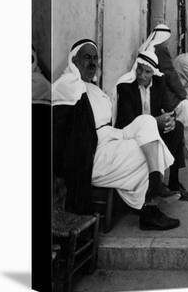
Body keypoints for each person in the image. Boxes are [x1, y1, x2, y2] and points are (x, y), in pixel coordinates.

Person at [53, 39, 180, 231]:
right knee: (143, 152)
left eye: (95, 58)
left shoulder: (93, 89)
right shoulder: (66, 87)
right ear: (74, 60)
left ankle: (154, 183)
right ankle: (149, 210)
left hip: (110, 137)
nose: (93, 63)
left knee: (147, 122)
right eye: (87, 57)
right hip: (91, 153)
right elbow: (65, 136)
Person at [115, 51, 188, 201]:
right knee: (164, 133)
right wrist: (156, 120)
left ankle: (173, 182)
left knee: (177, 128)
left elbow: (169, 109)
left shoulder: (159, 83)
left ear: (153, 73)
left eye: (147, 72)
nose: (142, 75)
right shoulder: (126, 88)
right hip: (135, 133)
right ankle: (157, 182)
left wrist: (170, 120)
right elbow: (130, 121)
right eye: (139, 70)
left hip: (155, 129)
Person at [142, 24, 188, 161]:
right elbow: (170, 76)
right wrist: (184, 95)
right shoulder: (160, 50)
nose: (168, 42)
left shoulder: (151, 48)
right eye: (167, 39)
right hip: (162, 95)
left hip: (160, 92)